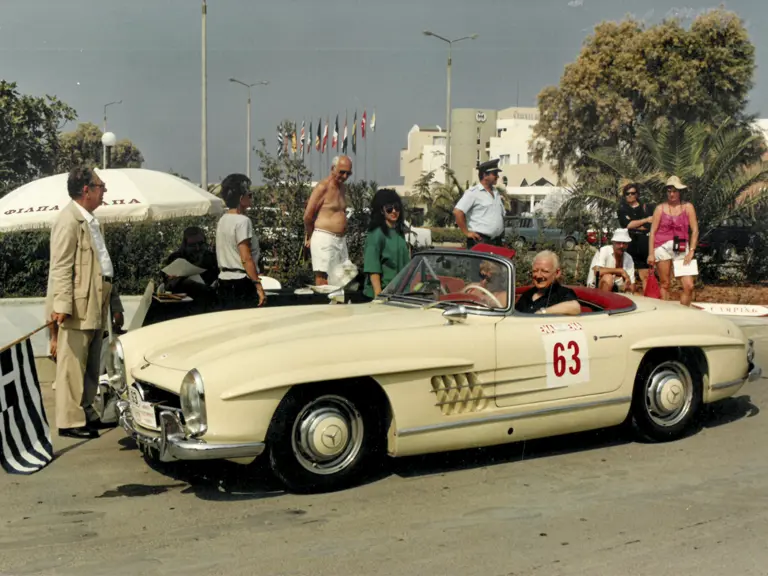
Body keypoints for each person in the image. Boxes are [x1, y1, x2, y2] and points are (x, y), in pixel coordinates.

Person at [45, 166, 124, 439]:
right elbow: (61, 267)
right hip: (77, 306)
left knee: (91, 364)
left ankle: (87, 413)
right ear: (86, 190)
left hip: (95, 303)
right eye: (101, 186)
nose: (105, 191)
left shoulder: (90, 221)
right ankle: (69, 421)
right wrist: (62, 306)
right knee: (72, 366)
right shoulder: (68, 221)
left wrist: (114, 304)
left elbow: (104, 266)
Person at [215, 173, 266, 308]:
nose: (251, 198)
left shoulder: (222, 220)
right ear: (241, 198)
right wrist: (257, 284)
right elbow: (245, 257)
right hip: (241, 282)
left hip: (223, 279)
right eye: (249, 194)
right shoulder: (243, 221)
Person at [648, 176, 699, 306]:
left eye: (674, 191)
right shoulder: (660, 208)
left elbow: (695, 230)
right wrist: (651, 253)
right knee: (665, 283)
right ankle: (664, 316)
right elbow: (652, 232)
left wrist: (692, 250)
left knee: (689, 285)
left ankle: (684, 313)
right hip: (662, 246)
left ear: (680, 192)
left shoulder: (688, 207)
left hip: (681, 245)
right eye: (669, 191)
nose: (672, 194)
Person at [304, 155, 352, 285]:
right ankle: (323, 305)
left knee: (342, 279)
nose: (345, 176)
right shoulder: (323, 187)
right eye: (342, 172)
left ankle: (337, 305)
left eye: (348, 173)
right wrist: (310, 235)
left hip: (340, 240)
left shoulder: (342, 188)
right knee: (323, 280)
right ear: (333, 168)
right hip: (324, 238)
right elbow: (308, 216)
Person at [363, 189, 411, 298]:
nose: (394, 211)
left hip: (399, 293)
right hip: (382, 294)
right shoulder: (376, 234)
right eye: (389, 208)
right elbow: (373, 267)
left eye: (397, 207)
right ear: (381, 210)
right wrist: (378, 295)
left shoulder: (399, 233)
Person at [453, 158, 506, 248]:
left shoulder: (496, 192)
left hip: (497, 241)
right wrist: (467, 232)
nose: (497, 176)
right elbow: (458, 212)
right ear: (485, 175)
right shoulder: (473, 193)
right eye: (495, 174)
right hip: (480, 241)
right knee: (480, 263)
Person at [515, 250, 581, 315]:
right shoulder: (527, 294)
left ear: (557, 273)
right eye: (535, 271)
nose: (538, 276)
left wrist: (543, 312)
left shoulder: (563, 293)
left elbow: (575, 307)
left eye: (544, 271)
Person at [617, 182, 654, 292]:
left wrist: (635, 224)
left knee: (645, 275)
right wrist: (645, 220)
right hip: (629, 243)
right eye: (627, 194)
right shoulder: (622, 209)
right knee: (627, 275)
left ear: (637, 194)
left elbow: (649, 226)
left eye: (632, 193)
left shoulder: (646, 208)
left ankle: (648, 301)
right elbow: (627, 225)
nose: (630, 196)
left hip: (643, 242)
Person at [163, 226, 218, 293]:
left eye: (201, 244)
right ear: (185, 246)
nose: (197, 248)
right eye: (192, 245)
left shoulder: (212, 258)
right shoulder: (175, 258)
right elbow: (169, 285)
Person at [587, 229, 636, 293]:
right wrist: (620, 271)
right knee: (608, 278)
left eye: (624, 243)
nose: (621, 246)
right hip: (595, 289)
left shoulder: (628, 258)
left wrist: (628, 287)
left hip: (617, 289)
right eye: (619, 243)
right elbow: (597, 271)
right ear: (613, 242)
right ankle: (603, 302)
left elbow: (632, 284)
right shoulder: (604, 251)